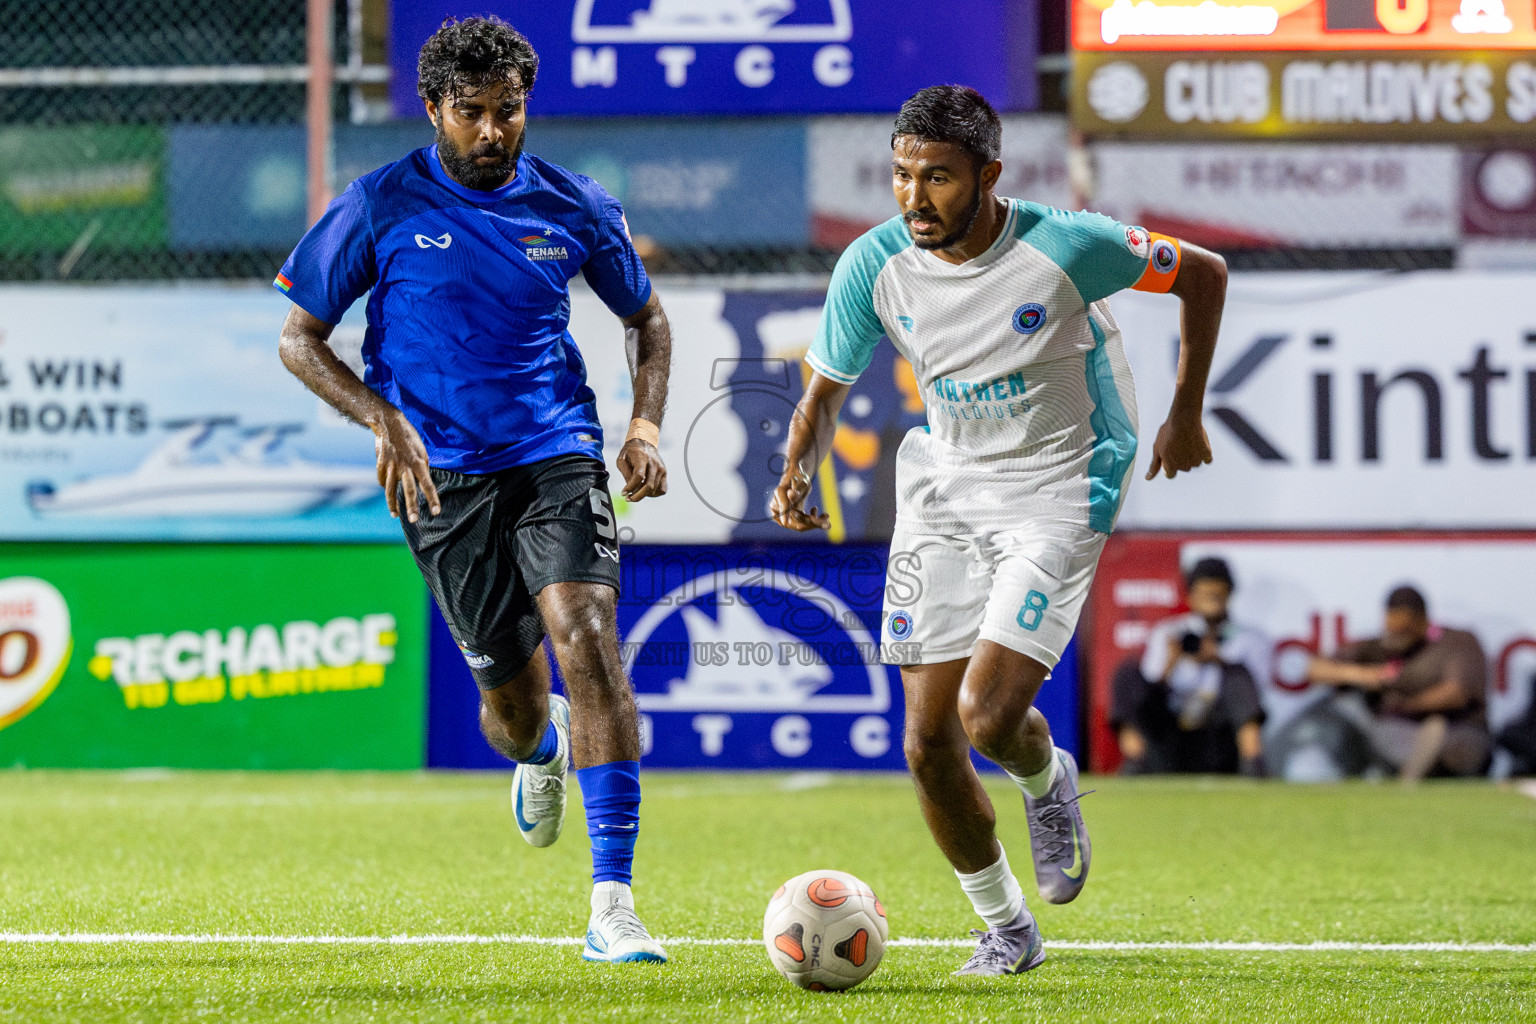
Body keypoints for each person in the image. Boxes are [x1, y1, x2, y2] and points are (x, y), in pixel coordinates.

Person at [770, 86, 1227, 976]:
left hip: (1062, 481)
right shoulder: (874, 264)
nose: (915, 197)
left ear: (989, 176)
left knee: (986, 716)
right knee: (925, 743)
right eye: (902, 176)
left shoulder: (1068, 245)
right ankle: (1009, 930)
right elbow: (824, 392)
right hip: (944, 484)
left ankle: (1045, 779)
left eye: (938, 178)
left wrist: (1185, 411)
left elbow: (1203, 273)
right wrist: (795, 472)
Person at [274, 16, 671, 963]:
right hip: (440, 476)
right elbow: (298, 340)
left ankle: (612, 905)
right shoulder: (380, 202)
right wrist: (382, 418)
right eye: (472, 113)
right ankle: (545, 751)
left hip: (555, 451)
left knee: (588, 637)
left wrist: (644, 427)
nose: (492, 131)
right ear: (433, 110)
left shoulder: (576, 205)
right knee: (514, 714)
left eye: (509, 110)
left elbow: (647, 322)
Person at [1308, 586, 1491, 783]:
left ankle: (1413, 767)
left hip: (1458, 730)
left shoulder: (1457, 642)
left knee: (1440, 733)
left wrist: (1404, 706)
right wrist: (1363, 675)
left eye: (1404, 628)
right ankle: (1407, 769)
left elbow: (1455, 694)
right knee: (1350, 708)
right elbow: (1314, 669)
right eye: (1392, 627)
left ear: (1422, 620)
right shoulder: (1379, 647)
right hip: (1397, 733)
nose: (1397, 633)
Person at [1110, 557, 1266, 776]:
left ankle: (1253, 764)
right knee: (1128, 673)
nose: (1212, 601)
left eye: (1217, 595)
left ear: (1229, 595)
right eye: (1205, 595)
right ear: (1190, 597)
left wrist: (1218, 660)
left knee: (1238, 674)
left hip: (1220, 735)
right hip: (1171, 732)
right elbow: (1148, 693)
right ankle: (1135, 760)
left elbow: (1256, 694)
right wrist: (1172, 662)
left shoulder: (1249, 638)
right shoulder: (1169, 632)